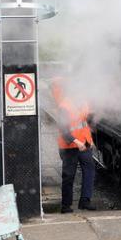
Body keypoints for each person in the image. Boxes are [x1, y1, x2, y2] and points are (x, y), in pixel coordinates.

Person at [51, 77, 97, 213]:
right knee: (68, 175)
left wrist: (91, 140)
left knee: (89, 170)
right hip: (69, 147)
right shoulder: (64, 107)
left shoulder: (84, 102)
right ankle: (66, 205)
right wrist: (76, 142)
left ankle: (85, 201)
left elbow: (86, 123)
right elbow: (63, 130)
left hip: (85, 144)